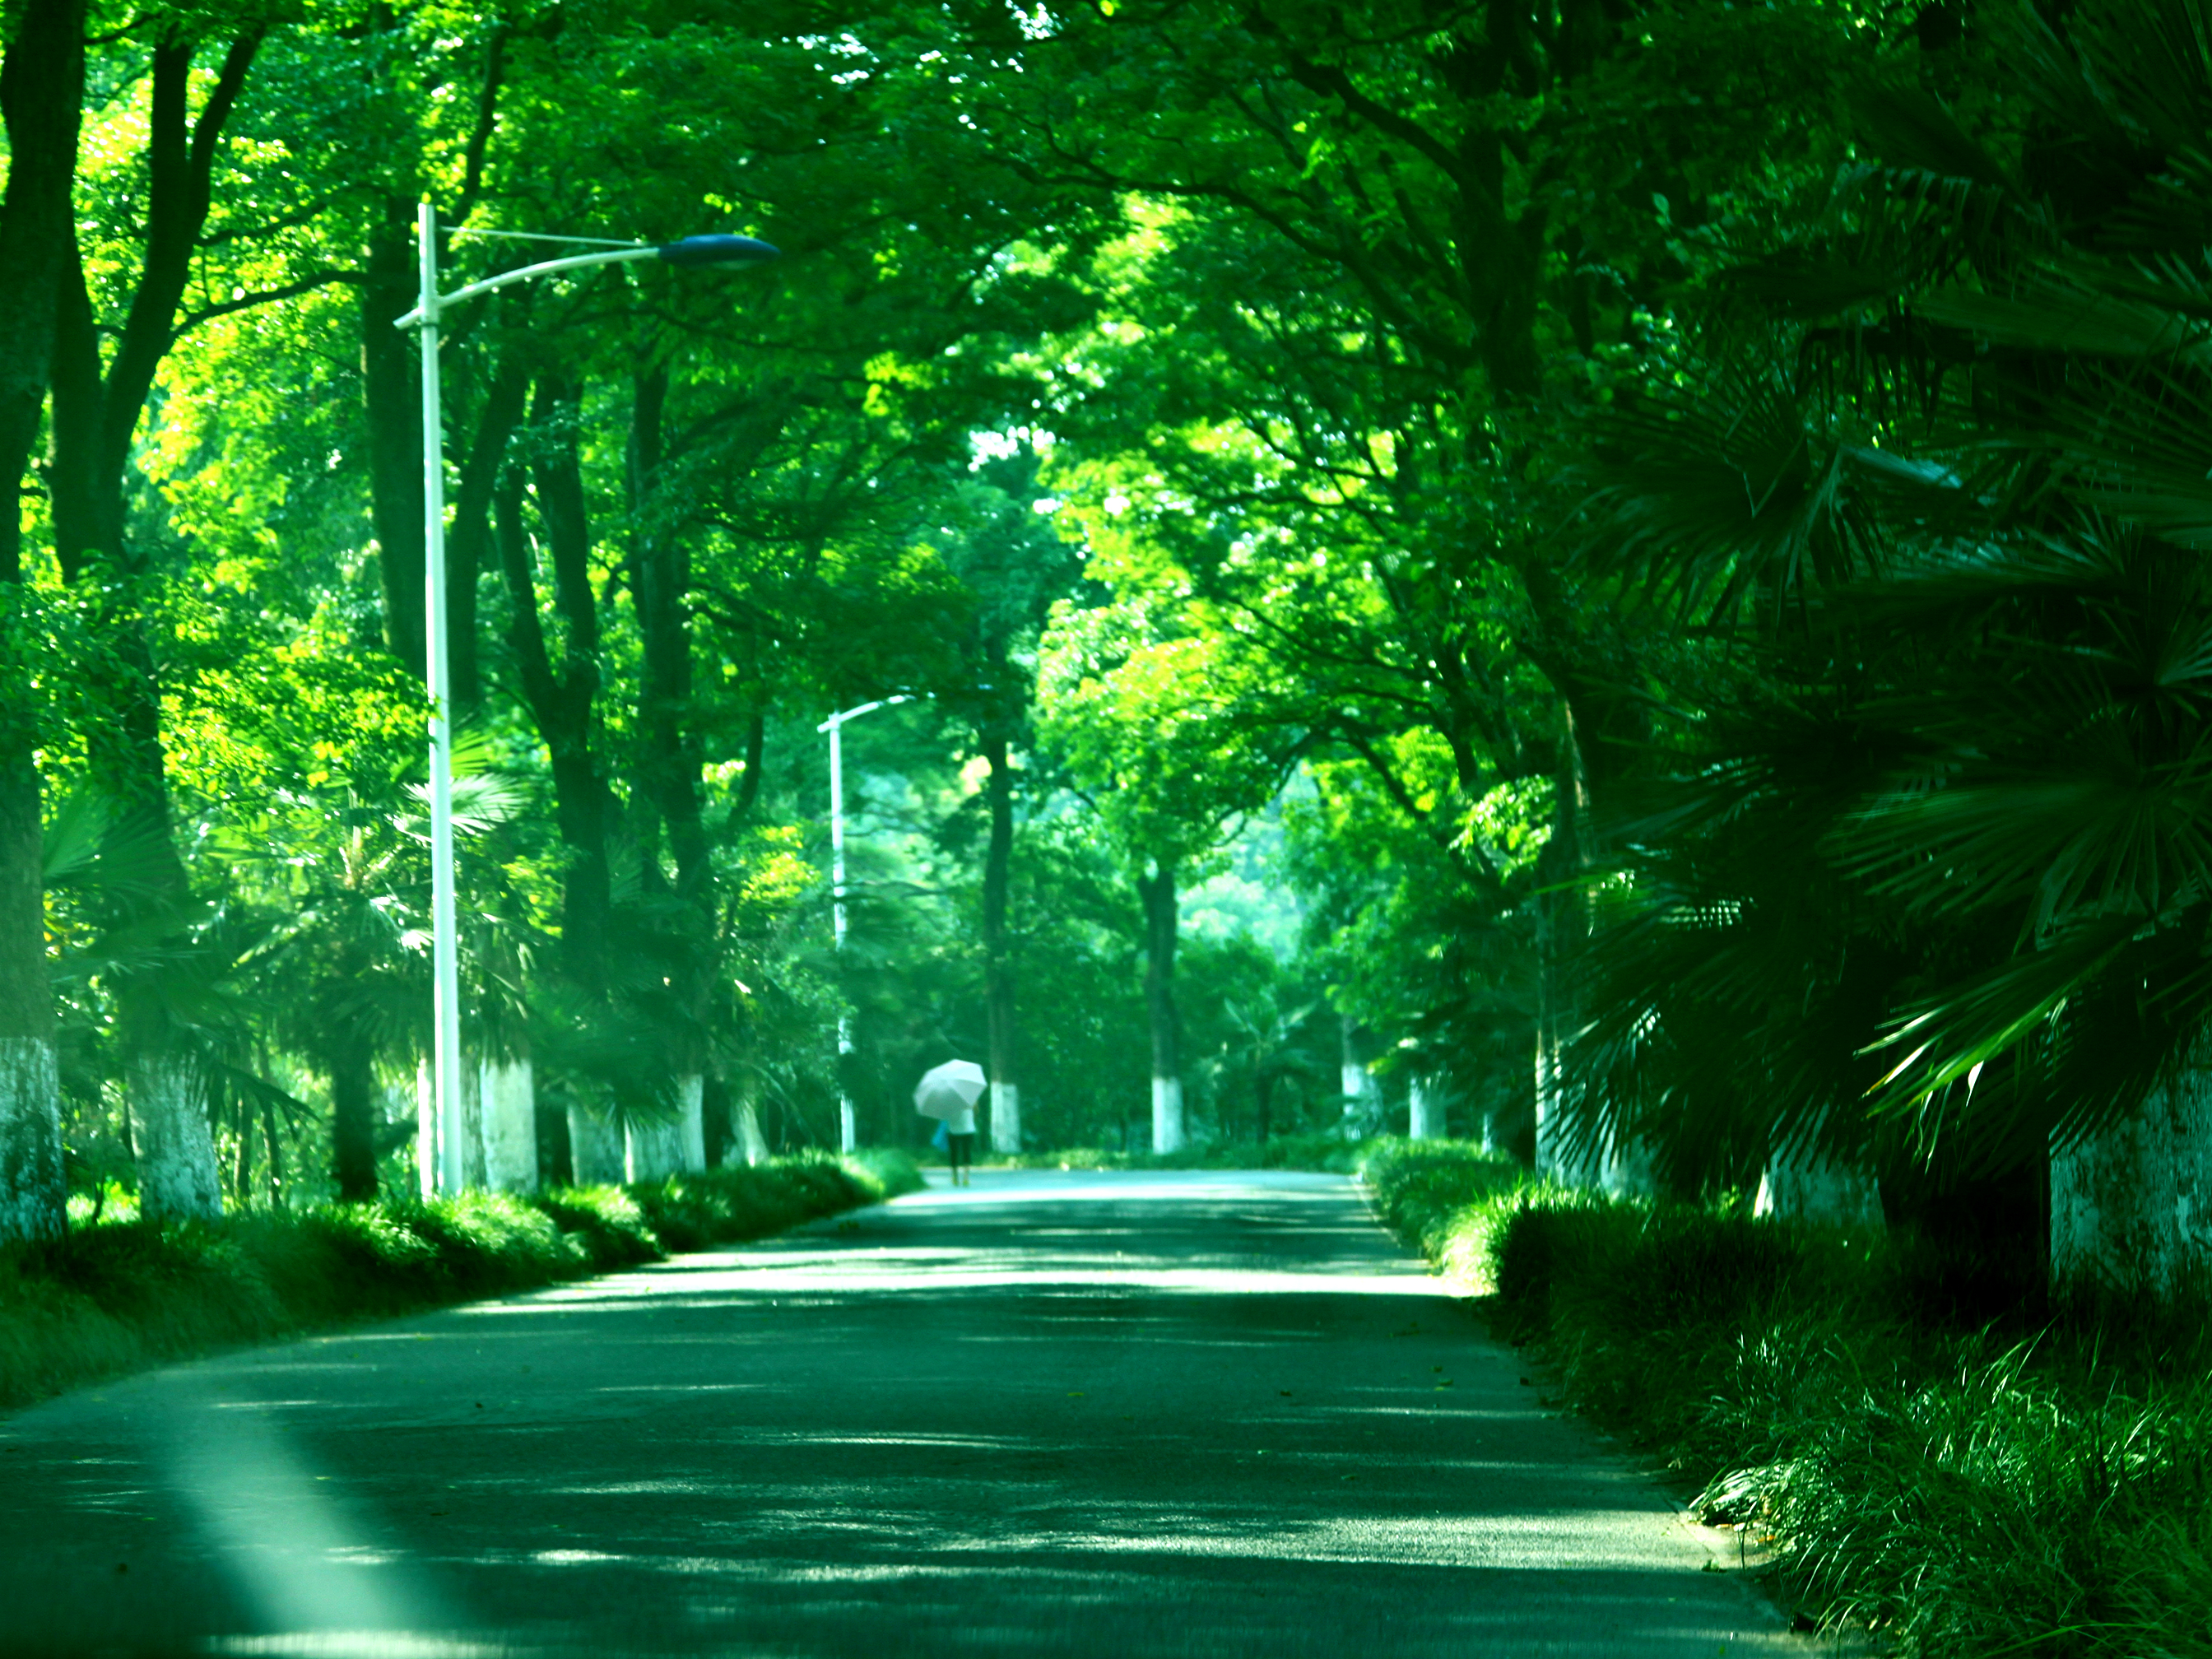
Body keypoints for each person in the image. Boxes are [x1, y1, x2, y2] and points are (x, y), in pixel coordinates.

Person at [943, 1101, 977, 1187]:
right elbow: (976, 1110)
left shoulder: (948, 1099)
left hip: (953, 1129)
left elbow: (944, 1114)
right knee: (967, 1153)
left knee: (954, 1154)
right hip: (968, 1128)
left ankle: (955, 1177)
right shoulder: (970, 1097)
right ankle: (966, 1177)